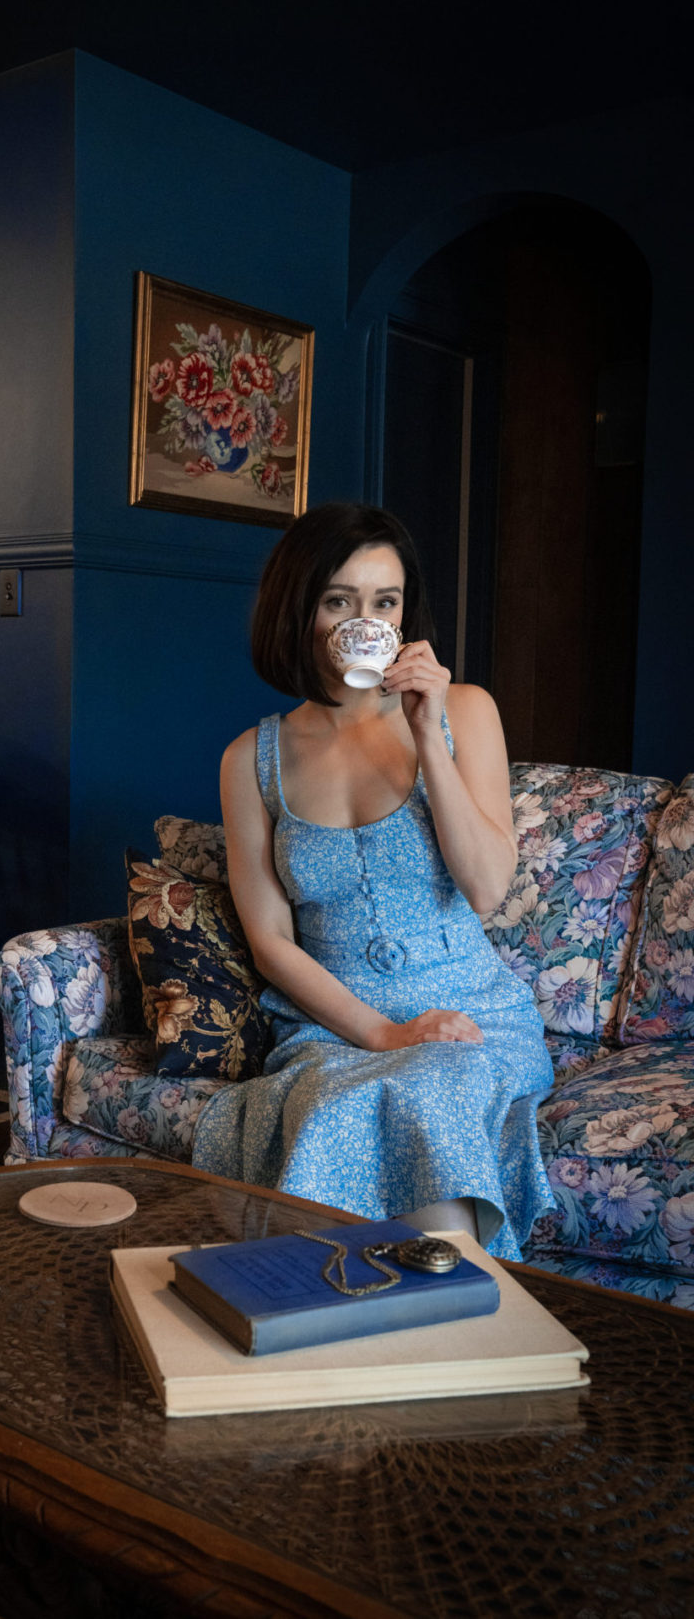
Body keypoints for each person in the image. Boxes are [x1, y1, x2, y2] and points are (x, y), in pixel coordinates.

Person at [190, 502, 555, 1260]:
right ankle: (329, 1322)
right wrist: (383, 1034)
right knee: (337, 1103)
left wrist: (425, 734)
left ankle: (458, 1329)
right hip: (334, 1026)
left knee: (429, 1088)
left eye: (384, 602)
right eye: (339, 601)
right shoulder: (248, 760)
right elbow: (271, 944)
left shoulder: (463, 712)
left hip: (468, 1011)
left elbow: (488, 889)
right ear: (300, 610)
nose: (366, 620)